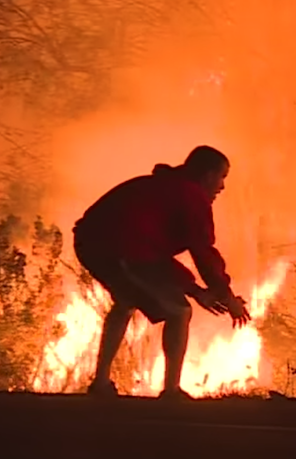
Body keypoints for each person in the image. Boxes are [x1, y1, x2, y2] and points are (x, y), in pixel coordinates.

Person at [72, 145, 251, 400]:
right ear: (208, 175)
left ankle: (101, 384)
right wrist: (226, 296)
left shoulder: (169, 187)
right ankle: (171, 392)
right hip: (116, 247)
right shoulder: (190, 195)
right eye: (222, 177)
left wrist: (196, 290)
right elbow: (202, 251)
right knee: (179, 311)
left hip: (99, 243)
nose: (222, 186)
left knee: (126, 301)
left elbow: (154, 256)